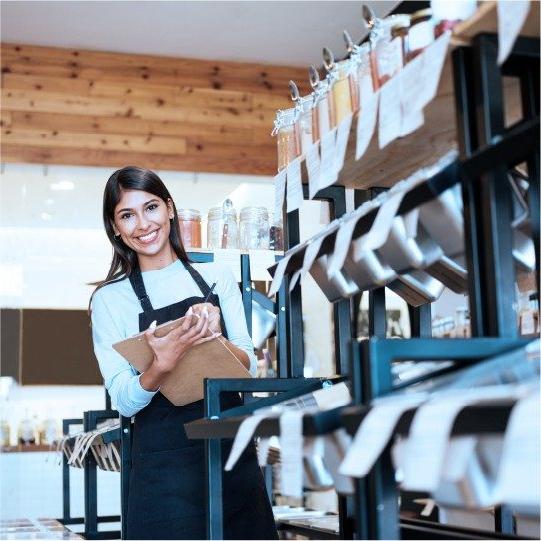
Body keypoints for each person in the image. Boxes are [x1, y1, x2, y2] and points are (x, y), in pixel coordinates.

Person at [89, 166, 278, 540]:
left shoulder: (215, 278)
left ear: (170, 209)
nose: (143, 224)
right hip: (163, 468)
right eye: (127, 215)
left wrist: (214, 335)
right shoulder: (110, 300)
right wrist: (161, 365)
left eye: (151, 208)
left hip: (229, 456)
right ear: (115, 228)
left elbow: (247, 364)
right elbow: (125, 401)